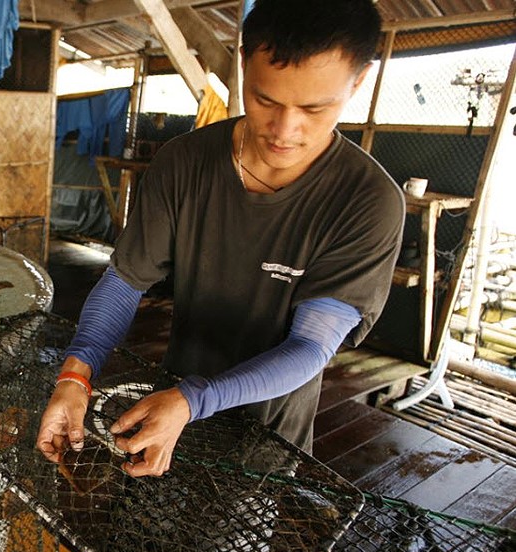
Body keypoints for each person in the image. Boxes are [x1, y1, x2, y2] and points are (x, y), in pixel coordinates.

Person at [37, 0, 405, 477]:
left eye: (314, 108)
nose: (284, 130)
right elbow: (125, 281)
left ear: (357, 82)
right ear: (243, 64)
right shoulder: (184, 163)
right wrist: (76, 374)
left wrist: (194, 399)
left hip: (267, 435)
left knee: (242, 522)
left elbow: (310, 347)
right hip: (167, 404)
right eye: (265, 100)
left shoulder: (367, 200)